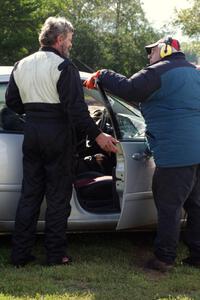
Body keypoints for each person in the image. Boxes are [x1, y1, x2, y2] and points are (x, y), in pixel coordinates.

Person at [6, 16, 118, 267]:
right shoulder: (64, 67)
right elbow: (77, 111)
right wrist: (98, 135)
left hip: (32, 134)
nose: (70, 45)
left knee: (30, 195)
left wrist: (35, 113)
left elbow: (12, 102)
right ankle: (56, 255)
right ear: (59, 39)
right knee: (58, 197)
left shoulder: (20, 65)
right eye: (69, 40)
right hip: (57, 136)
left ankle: (20, 254)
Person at [84, 37, 200, 272]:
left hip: (175, 154)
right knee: (196, 205)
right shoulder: (194, 72)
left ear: (164, 50)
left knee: (169, 206)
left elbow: (129, 88)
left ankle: (164, 258)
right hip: (196, 151)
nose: (148, 56)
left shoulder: (158, 71)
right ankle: (197, 255)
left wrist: (104, 74)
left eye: (151, 51)